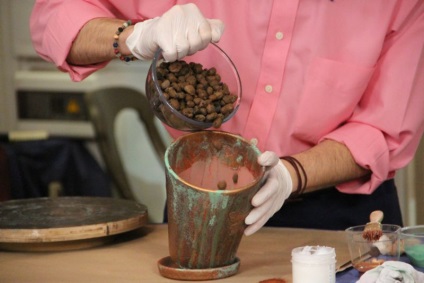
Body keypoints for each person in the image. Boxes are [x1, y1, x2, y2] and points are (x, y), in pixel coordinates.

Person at [30, 1, 424, 236]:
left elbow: (383, 130)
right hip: (200, 202)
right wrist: (133, 36)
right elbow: (54, 15)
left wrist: (289, 175)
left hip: (343, 220)